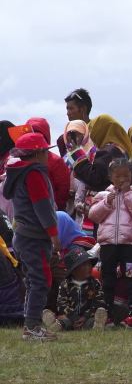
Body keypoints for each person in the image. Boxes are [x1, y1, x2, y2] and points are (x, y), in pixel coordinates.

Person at [3, 133, 60, 341]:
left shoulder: (17, 174)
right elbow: (42, 207)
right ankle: (32, 326)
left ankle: (31, 322)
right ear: (38, 153)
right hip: (34, 237)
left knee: (33, 280)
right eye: (45, 151)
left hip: (22, 236)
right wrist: (54, 235)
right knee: (40, 280)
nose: (47, 154)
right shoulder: (34, 174)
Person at [89, 159, 132, 327]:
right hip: (108, 247)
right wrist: (107, 203)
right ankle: (107, 314)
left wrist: (128, 194)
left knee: (131, 279)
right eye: (118, 176)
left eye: (126, 175)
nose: (122, 179)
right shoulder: (103, 196)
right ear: (110, 177)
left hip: (129, 247)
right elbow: (93, 215)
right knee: (107, 279)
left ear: (131, 176)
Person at [65, 114, 132, 193]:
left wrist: (76, 154)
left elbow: (94, 178)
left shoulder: (108, 152)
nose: (90, 134)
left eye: (92, 129)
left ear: (100, 131)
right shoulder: (121, 151)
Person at [41, 248, 107, 332]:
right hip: (70, 317)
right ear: (74, 270)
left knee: (91, 321)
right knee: (64, 322)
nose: (89, 267)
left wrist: (85, 316)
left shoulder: (95, 284)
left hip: (87, 317)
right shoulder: (65, 285)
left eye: (89, 264)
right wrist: (74, 318)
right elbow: (62, 304)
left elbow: (99, 302)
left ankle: (97, 325)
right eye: (84, 265)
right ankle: (56, 325)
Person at [25, 117, 71, 211]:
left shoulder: (56, 162)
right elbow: (63, 190)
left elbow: (63, 191)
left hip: (40, 212)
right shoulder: (55, 161)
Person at [61, 88, 93, 156]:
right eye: (67, 109)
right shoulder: (63, 139)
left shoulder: (95, 131)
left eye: (71, 108)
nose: (68, 113)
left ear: (83, 109)